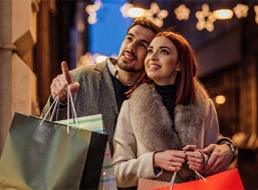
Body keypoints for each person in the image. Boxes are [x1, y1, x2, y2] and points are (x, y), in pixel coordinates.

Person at [41, 18, 237, 172]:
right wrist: (59, 101)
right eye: (130, 38)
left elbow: (200, 134)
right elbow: (46, 131)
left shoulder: (156, 90)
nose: (131, 47)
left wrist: (228, 147)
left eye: (144, 45)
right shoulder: (80, 78)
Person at [112, 31, 236, 189]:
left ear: (179, 64)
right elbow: (118, 173)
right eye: (150, 50)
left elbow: (215, 157)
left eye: (163, 51)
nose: (153, 57)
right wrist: (154, 160)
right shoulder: (130, 108)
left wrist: (203, 159)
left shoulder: (205, 105)